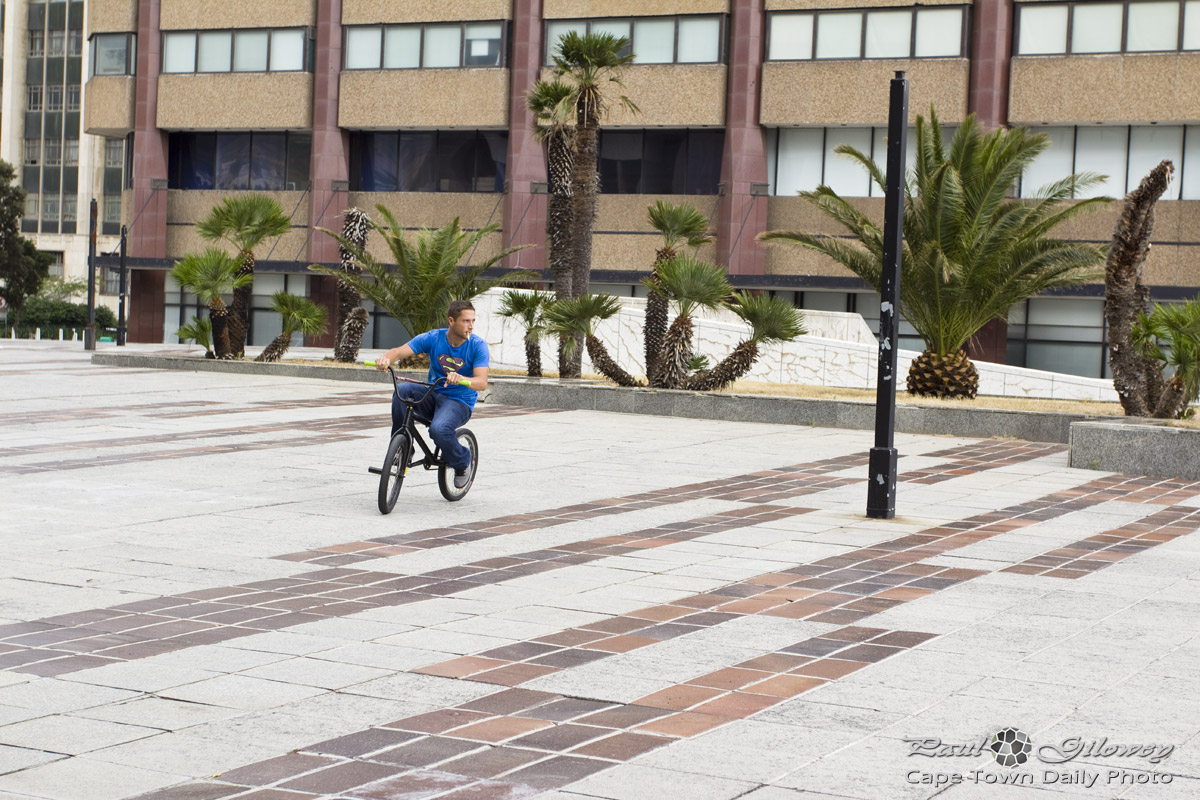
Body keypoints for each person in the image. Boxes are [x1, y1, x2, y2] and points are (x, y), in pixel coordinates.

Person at [375, 300, 488, 488]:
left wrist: (461, 378)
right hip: (433, 393)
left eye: (473, 321)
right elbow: (399, 352)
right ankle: (403, 447)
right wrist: (385, 359)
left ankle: (462, 462)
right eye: (466, 321)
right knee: (402, 391)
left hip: (459, 402)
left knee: (439, 429)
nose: (471, 326)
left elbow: (482, 383)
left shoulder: (477, 346)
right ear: (451, 321)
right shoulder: (434, 338)